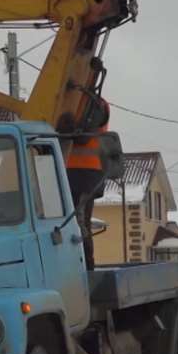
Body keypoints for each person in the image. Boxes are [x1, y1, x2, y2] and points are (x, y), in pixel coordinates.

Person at [66, 100, 110, 270]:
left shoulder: (96, 105)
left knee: (79, 222)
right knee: (68, 223)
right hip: (70, 172)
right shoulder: (75, 101)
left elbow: (83, 137)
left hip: (87, 174)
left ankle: (86, 268)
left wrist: (66, 125)